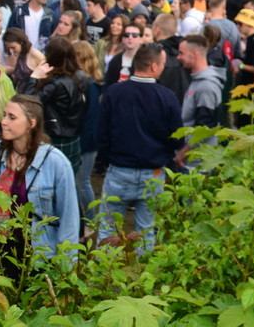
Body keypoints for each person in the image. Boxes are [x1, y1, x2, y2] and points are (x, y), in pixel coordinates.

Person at [96, 44, 183, 253]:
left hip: (118, 170)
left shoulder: (114, 92)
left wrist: (108, 160)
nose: (164, 68)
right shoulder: (167, 97)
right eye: (162, 64)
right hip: (152, 173)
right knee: (147, 231)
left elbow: (101, 134)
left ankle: (103, 278)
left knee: (108, 229)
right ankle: (142, 279)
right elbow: (177, 139)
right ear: (153, 66)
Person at [0, 94, 79, 265]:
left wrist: (66, 268)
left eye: (12, 117)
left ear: (31, 124)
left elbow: (69, 220)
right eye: (4, 115)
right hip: (0, 254)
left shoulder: (55, 162)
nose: (3, 122)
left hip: (40, 257)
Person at [19, 36, 88, 172]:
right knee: (67, 181)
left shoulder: (55, 84)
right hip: (73, 137)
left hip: (55, 137)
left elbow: (26, 103)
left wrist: (34, 77)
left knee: (51, 183)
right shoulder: (80, 76)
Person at [174, 35, 224, 168]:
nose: (178, 57)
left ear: (194, 54)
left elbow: (205, 128)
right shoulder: (198, 80)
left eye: (181, 53)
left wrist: (182, 155)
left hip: (197, 165)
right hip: (193, 160)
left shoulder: (206, 86)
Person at [69, 41, 103, 220]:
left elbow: (90, 120)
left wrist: (81, 146)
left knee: (82, 183)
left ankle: (90, 220)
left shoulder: (89, 86)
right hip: (85, 141)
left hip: (86, 144)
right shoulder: (87, 83)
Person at [3, 27, 45, 92]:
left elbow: (48, 76)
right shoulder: (19, 54)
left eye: (13, 47)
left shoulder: (35, 54)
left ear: (21, 42)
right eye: (8, 48)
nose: (11, 51)